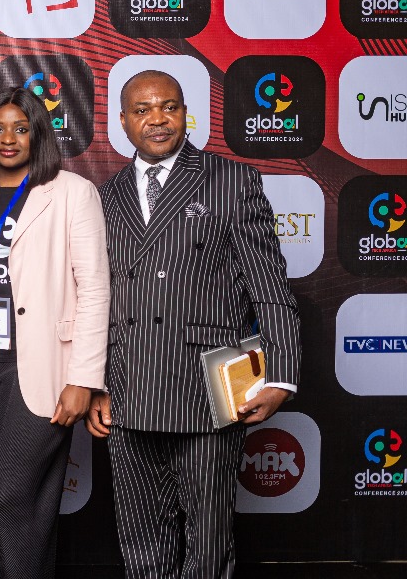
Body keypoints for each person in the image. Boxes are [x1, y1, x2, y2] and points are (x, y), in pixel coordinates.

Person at [88, 69, 300, 579]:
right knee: (141, 543)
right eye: (142, 110)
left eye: (169, 107)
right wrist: (93, 383)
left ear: (186, 113)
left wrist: (281, 376)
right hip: (129, 386)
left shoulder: (230, 179)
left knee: (209, 543)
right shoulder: (105, 194)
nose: (157, 119)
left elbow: (270, 289)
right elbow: (94, 300)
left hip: (212, 387)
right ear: (122, 121)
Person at [0, 87, 109, 579]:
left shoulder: (72, 192)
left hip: (42, 366)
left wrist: (84, 378)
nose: (7, 139)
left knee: (9, 491)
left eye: (21, 128)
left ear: (38, 134)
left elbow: (94, 289)